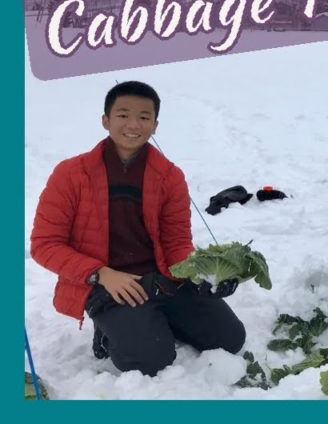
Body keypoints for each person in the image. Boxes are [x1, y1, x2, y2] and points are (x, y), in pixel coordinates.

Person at [30, 81, 245, 377]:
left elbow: (176, 241)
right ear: (105, 120)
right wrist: (102, 274)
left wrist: (202, 272)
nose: (133, 124)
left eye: (144, 117)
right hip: (105, 284)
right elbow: (45, 244)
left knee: (230, 339)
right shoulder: (70, 174)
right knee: (148, 361)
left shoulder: (170, 176)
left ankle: (150, 320)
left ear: (155, 125)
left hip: (162, 279)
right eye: (123, 115)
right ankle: (112, 328)